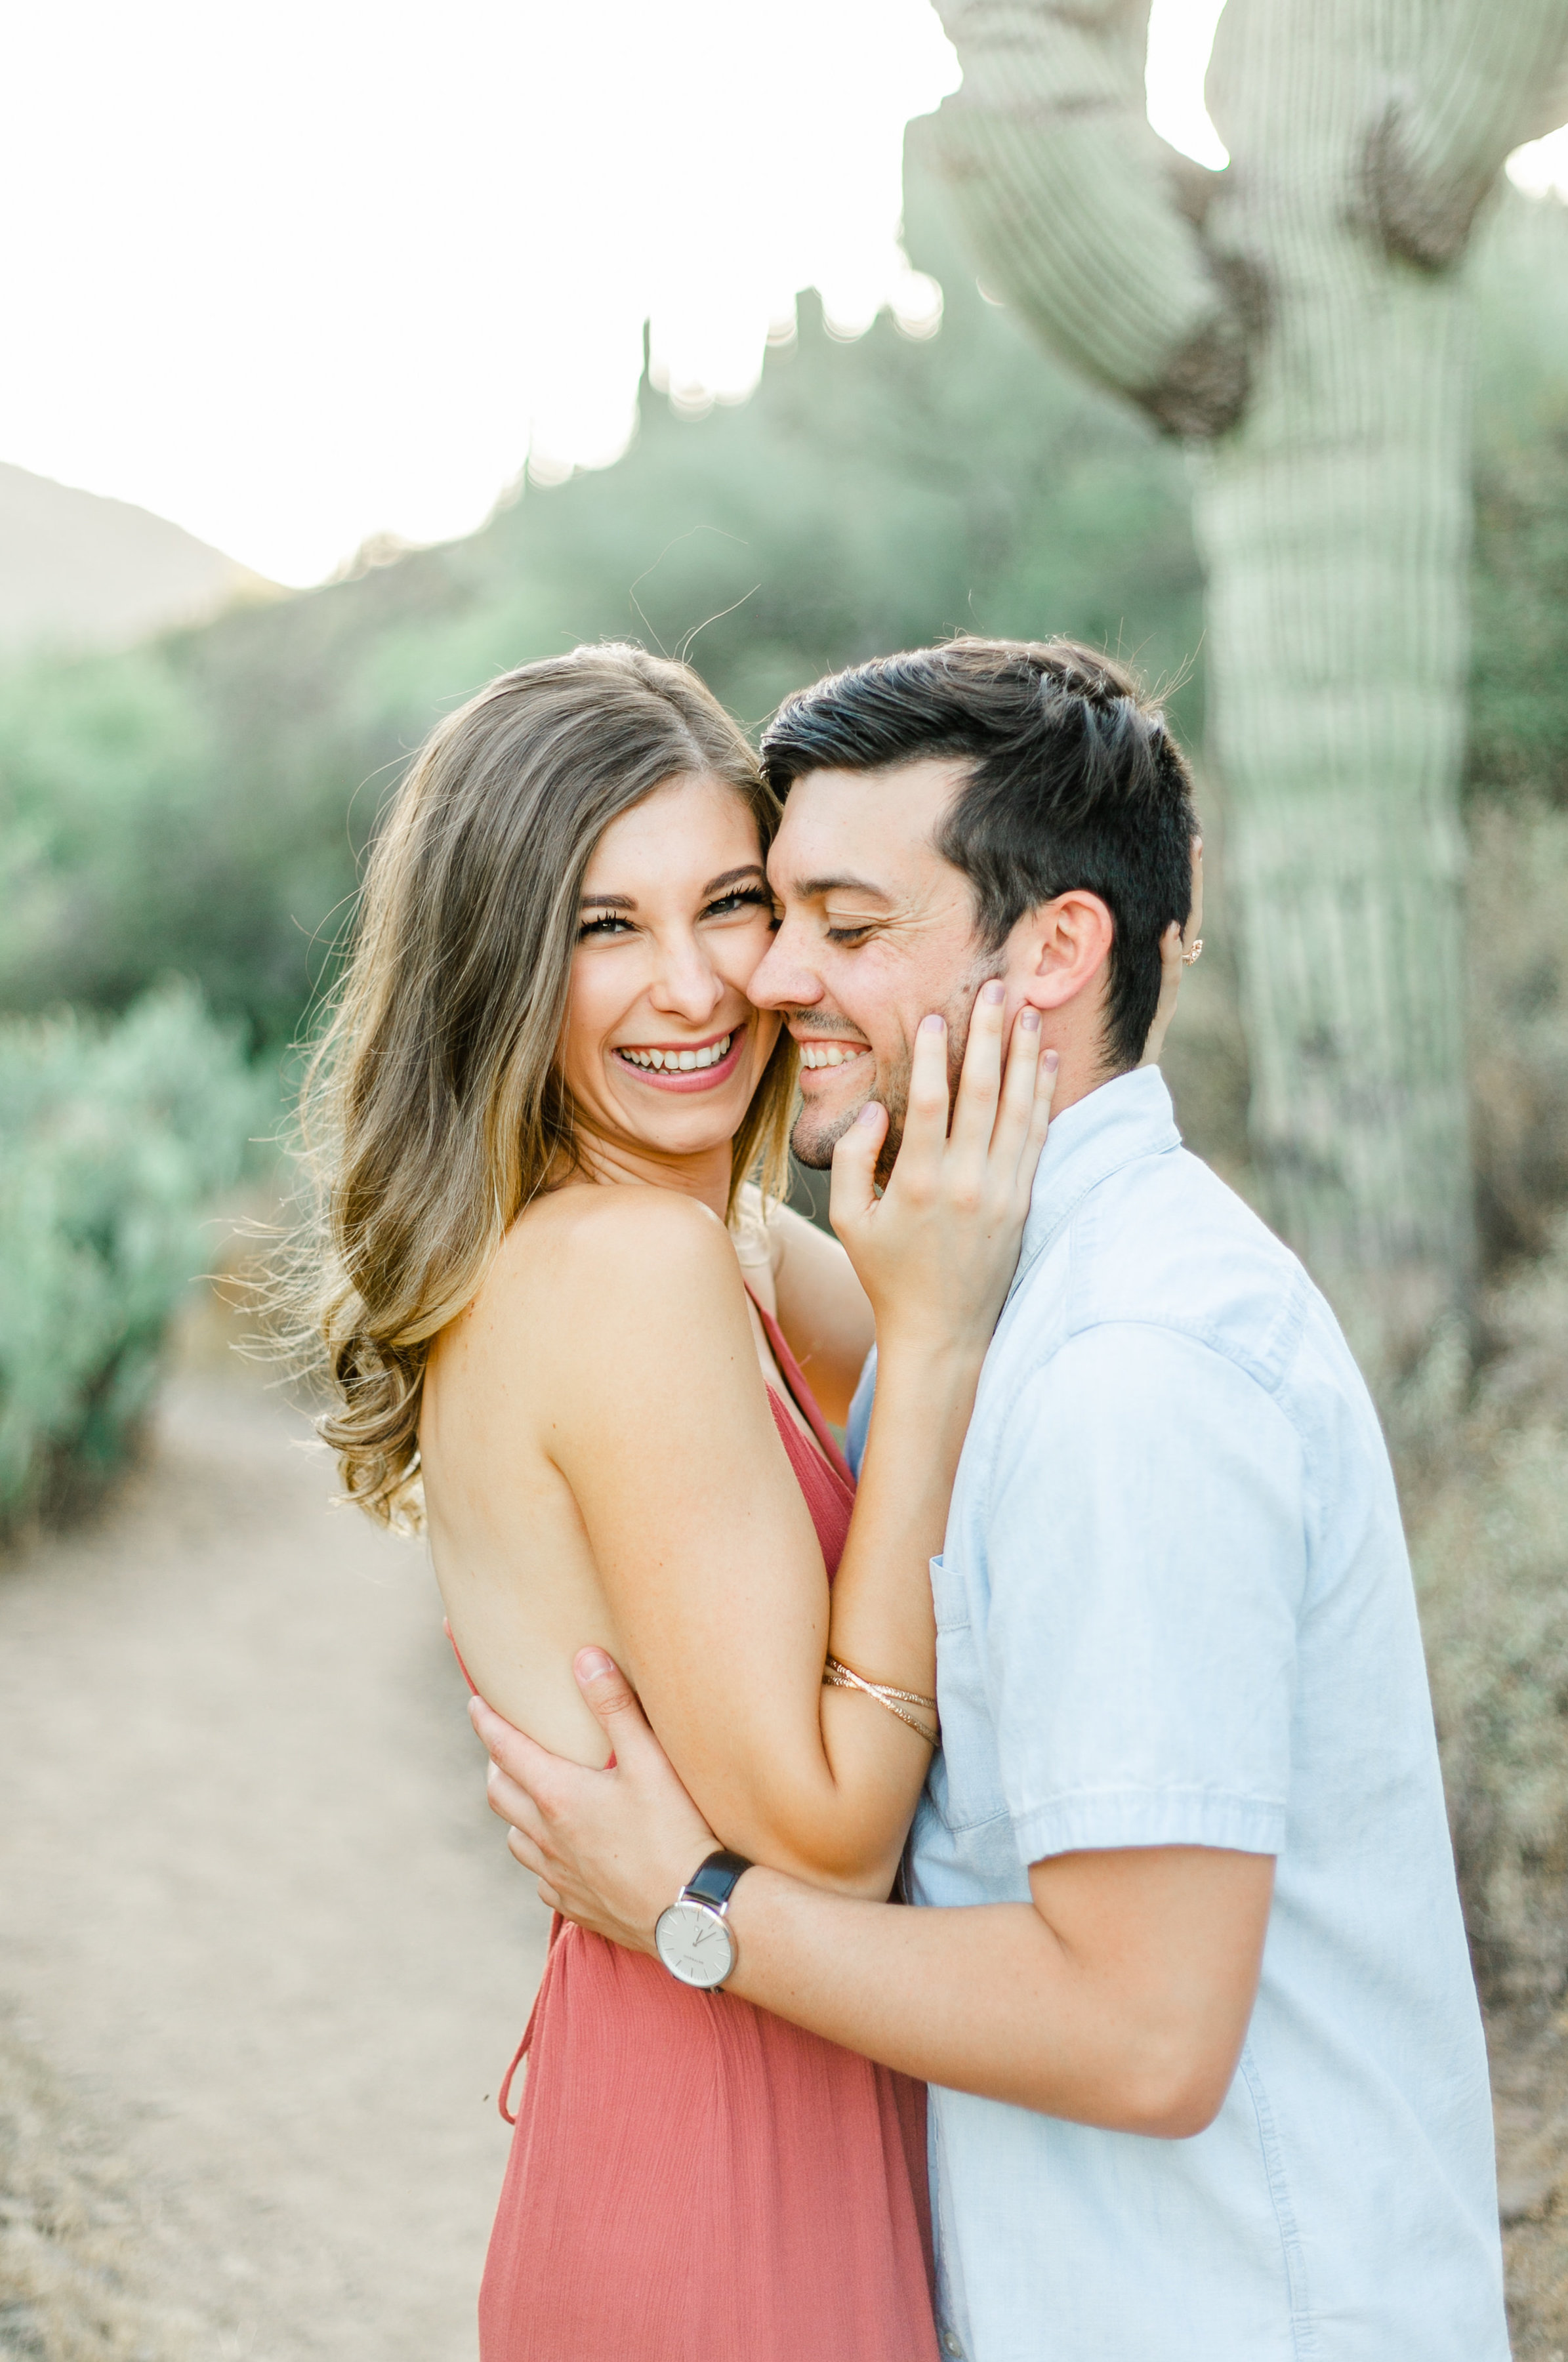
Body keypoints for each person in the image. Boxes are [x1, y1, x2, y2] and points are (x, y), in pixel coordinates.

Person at [474, 638, 1510, 2362]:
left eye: (848, 928)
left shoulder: (1132, 1370)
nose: (768, 978)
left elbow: (1145, 2036)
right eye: (775, 910)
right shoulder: (966, 1278)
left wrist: (698, 1904)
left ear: (1053, 948)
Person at [285, 640, 1077, 2362]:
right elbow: (820, 1837)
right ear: (502, 966)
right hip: (726, 2187)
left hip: (718, 2116)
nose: (698, 988)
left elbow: (1037, 1429)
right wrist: (930, 1351)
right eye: (603, 927)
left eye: (731, 903)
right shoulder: (628, 1268)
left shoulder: (713, 1241)